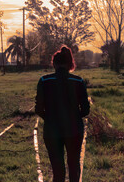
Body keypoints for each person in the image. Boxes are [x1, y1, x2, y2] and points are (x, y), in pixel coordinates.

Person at [35, 45, 90, 182]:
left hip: (51, 131)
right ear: (70, 63)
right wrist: (74, 117)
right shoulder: (78, 81)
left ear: (54, 63)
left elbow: (38, 108)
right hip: (75, 130)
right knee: (74, 166)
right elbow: (86, 109)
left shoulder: (44, 81)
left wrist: (50, 118)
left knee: (57, 170)